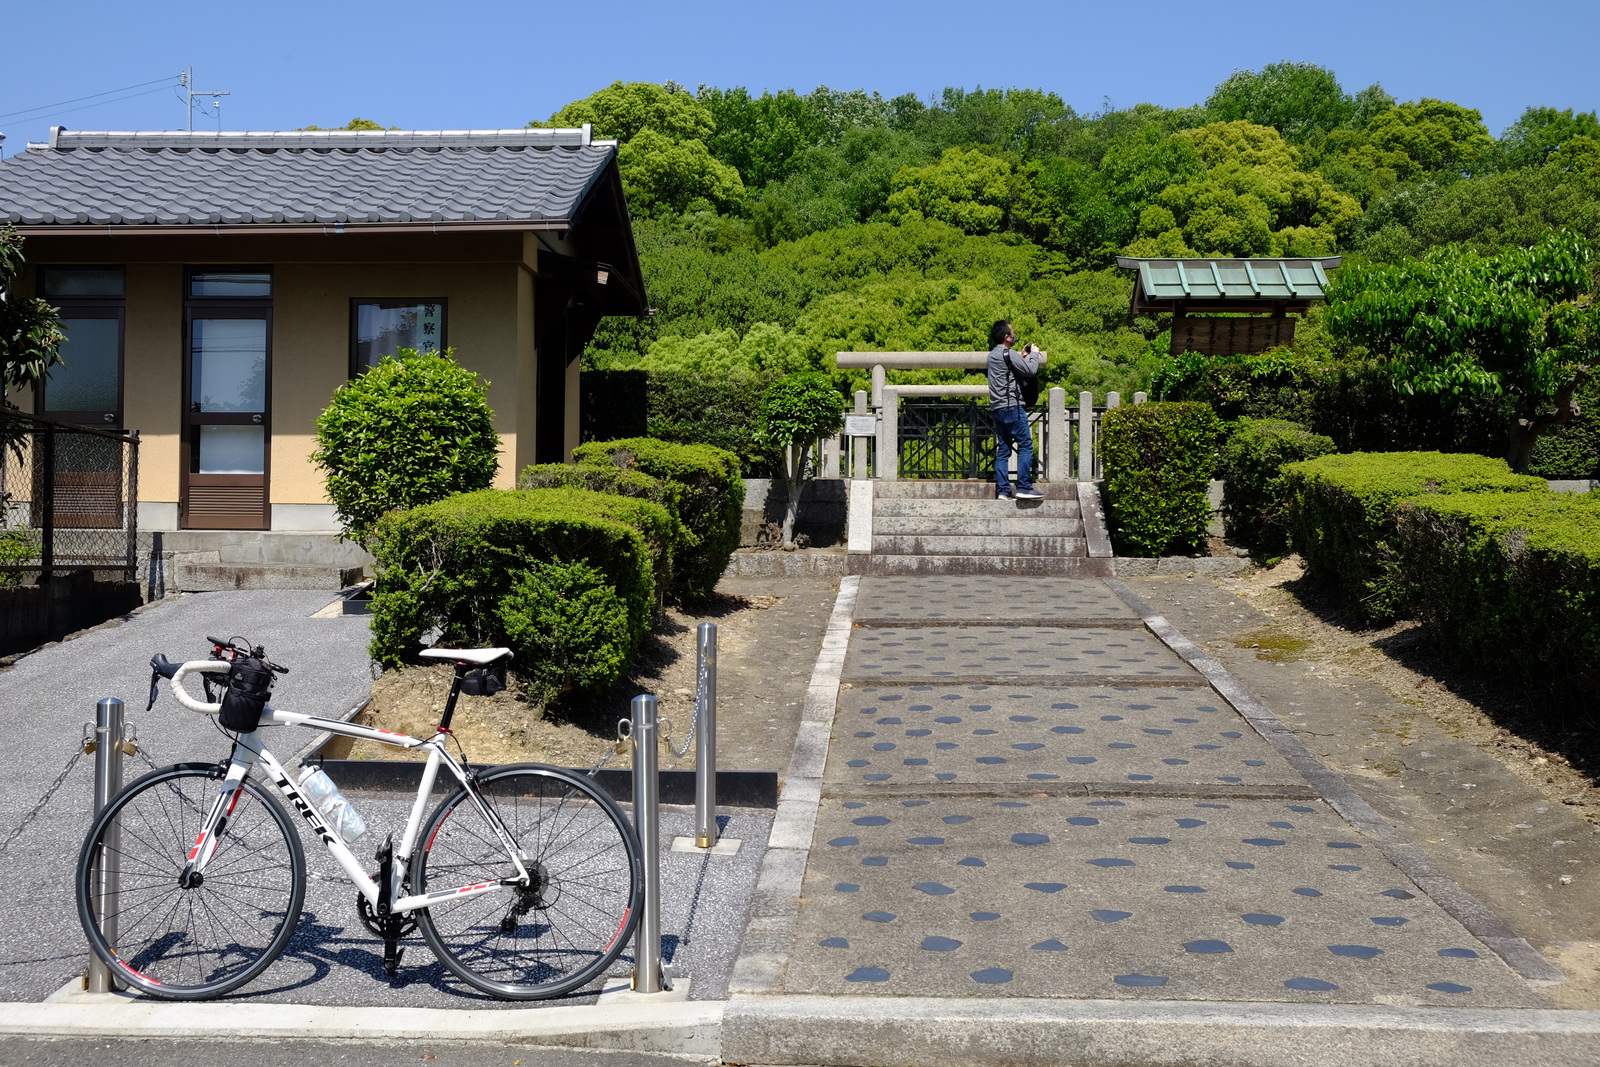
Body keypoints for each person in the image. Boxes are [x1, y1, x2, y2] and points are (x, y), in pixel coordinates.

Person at [986, 320, 1043, 499]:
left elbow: (1008, 369)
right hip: (1012, 406)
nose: (1015, 334)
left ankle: (1004, 490)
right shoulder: (1009, 353)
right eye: (1013, 332)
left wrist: (1022, 355)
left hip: (997, 408)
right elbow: (1031, 371)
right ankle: (1024, 487)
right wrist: (1034, 354)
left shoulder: (992, 355)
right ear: (1007, 337)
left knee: (1004, 449)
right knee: (1026, 445)